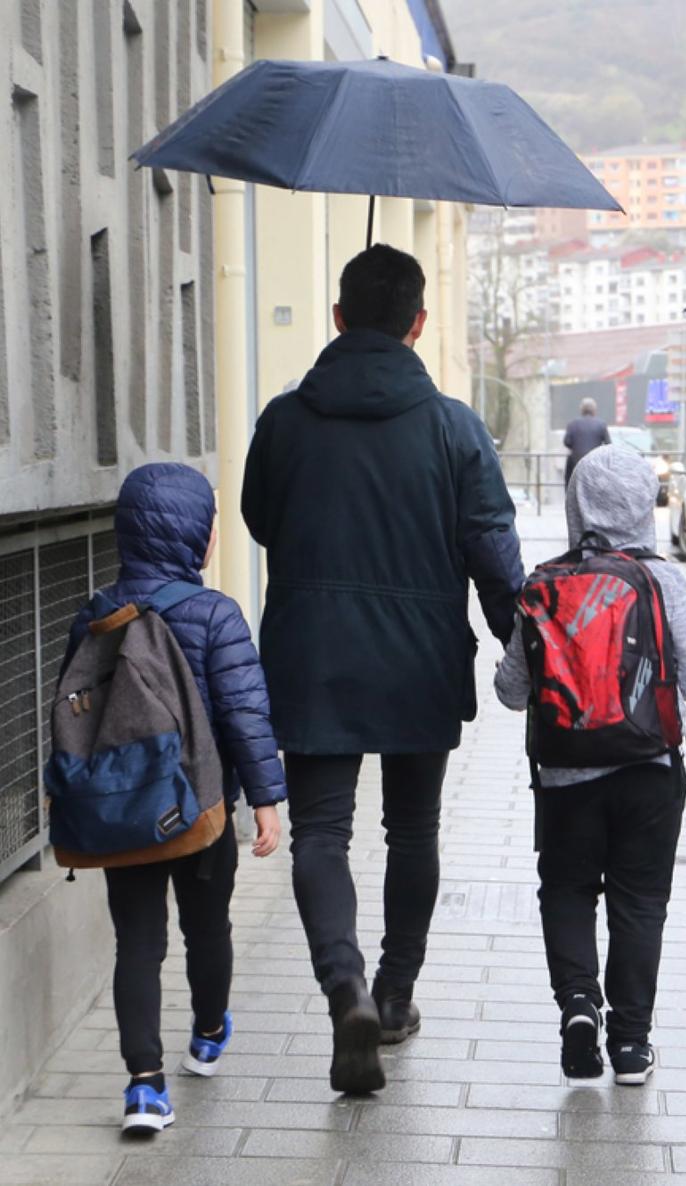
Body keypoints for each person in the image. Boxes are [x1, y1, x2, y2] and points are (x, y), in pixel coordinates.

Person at [241, 243, 524, 1095]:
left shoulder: (284, 421)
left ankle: (346, 989)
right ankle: (395, 997)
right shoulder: (455, 428)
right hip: (419, 658)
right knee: (413, 829)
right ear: (419, 323)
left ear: (337, 318)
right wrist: (525, 649)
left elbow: (260, 521)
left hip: (312, 653)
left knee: (322, 832)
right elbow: (493, 552)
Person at [60, 463, 285, 1134]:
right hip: (201, 809)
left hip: (123, 811)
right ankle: (209, 1035)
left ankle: (144, 1088)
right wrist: (266, 800)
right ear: (198, 537)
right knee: (207, 927)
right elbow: (246, 715)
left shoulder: (96, 615)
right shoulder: (215, 614)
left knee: (137, 942)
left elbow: (75, 716)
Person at [494, 445, 686, 1084]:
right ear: (645, 506)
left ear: (576, 503)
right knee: (640, 901)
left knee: (566, 889)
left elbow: (510, 691)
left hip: (565, 776)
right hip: (649, 769)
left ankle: (577, 1002)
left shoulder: (544, 584)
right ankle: (630, 1045)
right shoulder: (662, 581)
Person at [563, 397, 611, 486]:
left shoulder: (572, 424)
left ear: (581, 410)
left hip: (576, 462)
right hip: (595, 462)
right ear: (594, 410)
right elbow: (608, 443)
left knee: (569, 469)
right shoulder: (601, 424)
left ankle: (568, 489)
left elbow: (567, 442)